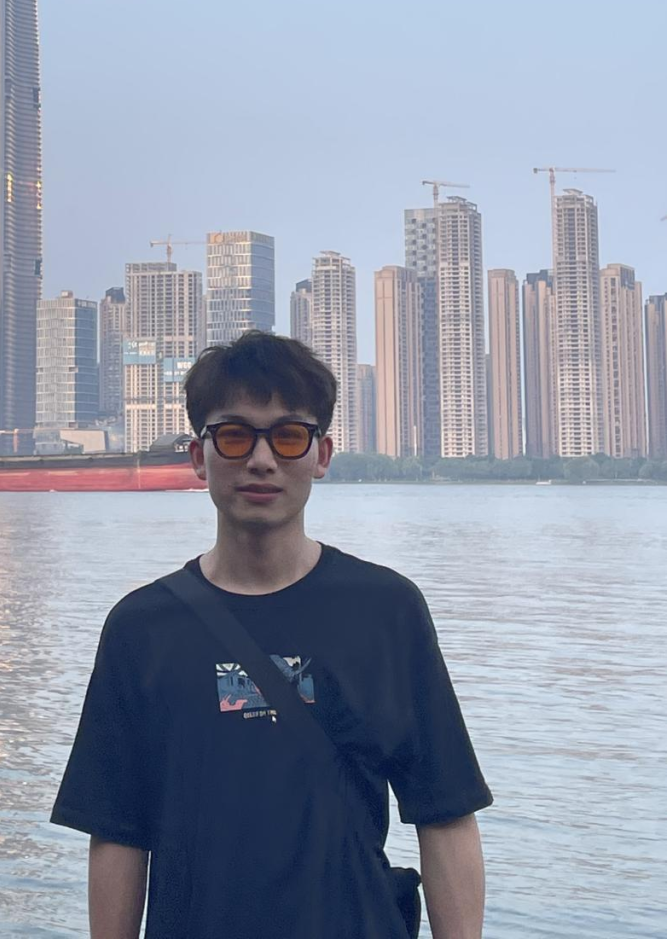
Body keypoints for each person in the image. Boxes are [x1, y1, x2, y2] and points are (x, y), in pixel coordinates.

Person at [50, 331, 492, 938]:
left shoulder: (387, 610)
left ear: (322, 454)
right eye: (235, 436)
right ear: (199, 456)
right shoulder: (141, 628)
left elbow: (445, 815)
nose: (261, 460)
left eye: (288, 436)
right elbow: (118, 834)